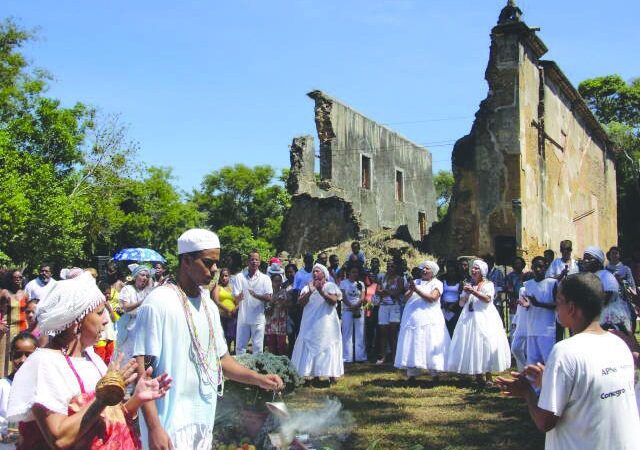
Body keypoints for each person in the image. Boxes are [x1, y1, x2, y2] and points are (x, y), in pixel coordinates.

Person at [133, 229, 283, 450]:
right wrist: (155, 428)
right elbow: (141, 371)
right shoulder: (158, 302)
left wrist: (259, 379)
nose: (214, 269)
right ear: (186, 260)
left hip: (202, 420)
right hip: (168, 424)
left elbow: (222, 360)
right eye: (208, 262)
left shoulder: (209, 306)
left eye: (216, 263)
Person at [7, 271, 172, 450]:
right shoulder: (44, 364)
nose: (106, 321)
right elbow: (60, 439)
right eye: (100, 313)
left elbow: (107, 416)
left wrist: (136, 399)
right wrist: (103, 397)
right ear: (77, 320)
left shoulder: (92, 358)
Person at [496, 273, 640, 450]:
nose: (556, 307)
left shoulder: (565, 351)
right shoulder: (619, 345)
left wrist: (526, 391)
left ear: (571, 308)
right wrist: (548, 382)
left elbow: (545, 421)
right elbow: (592, 392)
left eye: (558, 301)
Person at [446, 260, 511, 386]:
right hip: (469, 317)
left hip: (484, 316)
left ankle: (488, 376)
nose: (473, 270)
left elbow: (487, 299)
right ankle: (478, 375)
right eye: (473, 268)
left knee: (485, 343)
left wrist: (473, 292)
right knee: (472, 343)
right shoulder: (469, 284)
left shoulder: (488, 284)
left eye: (476, 269)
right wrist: (464, 295)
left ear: (482, 271)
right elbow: (461, 304)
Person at [395, 261, 450, 381]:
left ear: (433, 272)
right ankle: (412, 373)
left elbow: (432, 298)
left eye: (427, 269)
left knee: (431, 341)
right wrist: (411, 289)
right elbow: (405, 298)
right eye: (423, 268)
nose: (424, 270)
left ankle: (435, 373)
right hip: (413, 318)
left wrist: (417, 290)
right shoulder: (415, 282)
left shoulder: (437, 283)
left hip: (430, 318)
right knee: (413, 342)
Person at [291, 264, 343, 386]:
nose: (314, 273)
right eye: (313, 271)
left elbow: (333, 301)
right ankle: (312, 374)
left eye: (317, 271)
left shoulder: (330, 286)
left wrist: (320, 291)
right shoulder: (307, 287)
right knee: (310, 344)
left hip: (327, 323)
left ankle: (331, 374)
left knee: (327, 344)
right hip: (310, 323)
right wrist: (310, 291)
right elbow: (300, 303)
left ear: (324, 274)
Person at [583, 246, 631, 333]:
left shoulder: (606, 276)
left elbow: (607, 297)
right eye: (584, 258)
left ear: (598, 261)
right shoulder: (589, 277)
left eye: (590, 259)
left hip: (609, 320)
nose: (586, 261)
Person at [233, 251, 273, 355]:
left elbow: (269, 297)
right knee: (240, 348)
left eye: (256, 260)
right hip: (243, 318)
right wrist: (239, 297)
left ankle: (257, 371)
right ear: (247, 262)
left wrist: (256, 295)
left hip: (258, 318)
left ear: (259, 262)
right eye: (252, 259)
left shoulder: (265, 278)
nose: (254, 262)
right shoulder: (239, 277)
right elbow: (235, 298)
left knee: (258, 349)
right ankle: (240, 370)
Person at [519, 257, 557, 365]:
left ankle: (548, 382)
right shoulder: (528, 284)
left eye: (541, 267)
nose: (538, 269)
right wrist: (526, 304)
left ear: (546, 267)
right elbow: (526, 302)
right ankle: (533, 382)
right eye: (535, 267)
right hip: (532, 328)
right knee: (532, 361)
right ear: (532, 268)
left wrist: (539, 304)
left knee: (548, 361)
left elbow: (557, 305)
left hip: (547, 329)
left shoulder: (552, 283)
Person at [0, 332, 37, 440]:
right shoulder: (3, 386)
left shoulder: (41, 388)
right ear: (11, 356)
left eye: (29, 355)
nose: (23, 360)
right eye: (18, 355)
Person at [116, 264, 154, 362]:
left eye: (147, 276)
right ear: (135, 276)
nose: (145, 278)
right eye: (142, 275)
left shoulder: (148, 291)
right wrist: (141, 302)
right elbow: (126, 307)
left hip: (144, 325)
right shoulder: (127, 289)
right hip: (129, 326)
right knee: (126, 356)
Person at [375, 259, 405, 365]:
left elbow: (397, 293)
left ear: (396, 268)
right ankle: (382, 356)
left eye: (392, 266)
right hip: (383, 306)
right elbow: (377, 292)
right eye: (388, 266)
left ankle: (394, 356)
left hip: (394, 306)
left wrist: (385, 291)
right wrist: (387, 292)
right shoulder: (382, 278)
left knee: (393, 331)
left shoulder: (400, 279)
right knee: (383, 331)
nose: (389, 268)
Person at [340, 265, 367, 363]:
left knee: (360, 334)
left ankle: (361, 357)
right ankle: (347, 357)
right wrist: (351, 306)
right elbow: (343, 296)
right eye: (353, 272)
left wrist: (357, 306)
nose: (355, 274)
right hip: (347, 310)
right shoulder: (343, 283)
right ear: (349, 273)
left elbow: (362, 297)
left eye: (356, 272)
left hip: (359, 310)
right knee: (347, 334)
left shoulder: (361, 284)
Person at [265, 264, 289, 356]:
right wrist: (273, 302)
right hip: (270, 322)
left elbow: (285, 306)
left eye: (279, 281)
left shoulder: (283, 292)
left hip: (281, 322)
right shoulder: (268, 293)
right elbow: (267, 310)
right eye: (276, 281)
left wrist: (283, 303)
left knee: (282, 345)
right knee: (271, 345)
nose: (278, 283)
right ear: (271, 281)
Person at [212, 268, 237, 352]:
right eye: (222, 276)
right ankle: (225, 354)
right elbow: (216, 301)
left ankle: (234, 355)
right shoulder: (217, 287)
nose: (224, 278)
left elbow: (237, 301)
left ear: (229, 277)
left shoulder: (232, 288)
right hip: (222, 315)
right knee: (225, 337)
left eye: (226, 276)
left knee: (233, 336)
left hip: (233, 315)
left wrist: (234, 309)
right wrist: (227, 310)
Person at [94, 281, 118, 365]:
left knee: (109, 360)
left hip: (110, 337)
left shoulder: (109, 305)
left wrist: (110, 309)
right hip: (101, 338)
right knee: (100, 360)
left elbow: (114, 319)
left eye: (109, 293)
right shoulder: (95, 305)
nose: (107, 295)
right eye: (105, 293)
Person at [440, 259, 462, 337]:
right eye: (449, 271)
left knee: (453, 329)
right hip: (444, 307)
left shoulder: (460, 281)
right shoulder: (443, 280)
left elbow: (461, 296)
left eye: (452, 271)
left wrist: (453, 305)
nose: (450, 273)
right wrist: (443, 303)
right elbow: (440, 293)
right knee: (443, 329)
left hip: (455, 308)